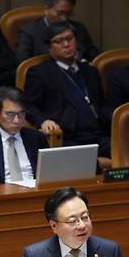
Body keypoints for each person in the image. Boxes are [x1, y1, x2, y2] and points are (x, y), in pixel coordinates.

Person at [23, 21, 110, 157]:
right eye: (59, 41)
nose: (66, 45)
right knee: (86, 159)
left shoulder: (91, 72)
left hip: (98, 135)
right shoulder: (40, 73)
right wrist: (43, 121)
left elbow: (102, 105)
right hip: (68, 137)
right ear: (49, 48)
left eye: (69, 39)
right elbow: (28, 106)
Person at [15, 0, 99, 63]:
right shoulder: (29, 32)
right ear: (46, 9)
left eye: (69, 13)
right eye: (60, 13)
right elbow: (23, 64)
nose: (64, 18)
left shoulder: (79, 28)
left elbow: (94, 56)